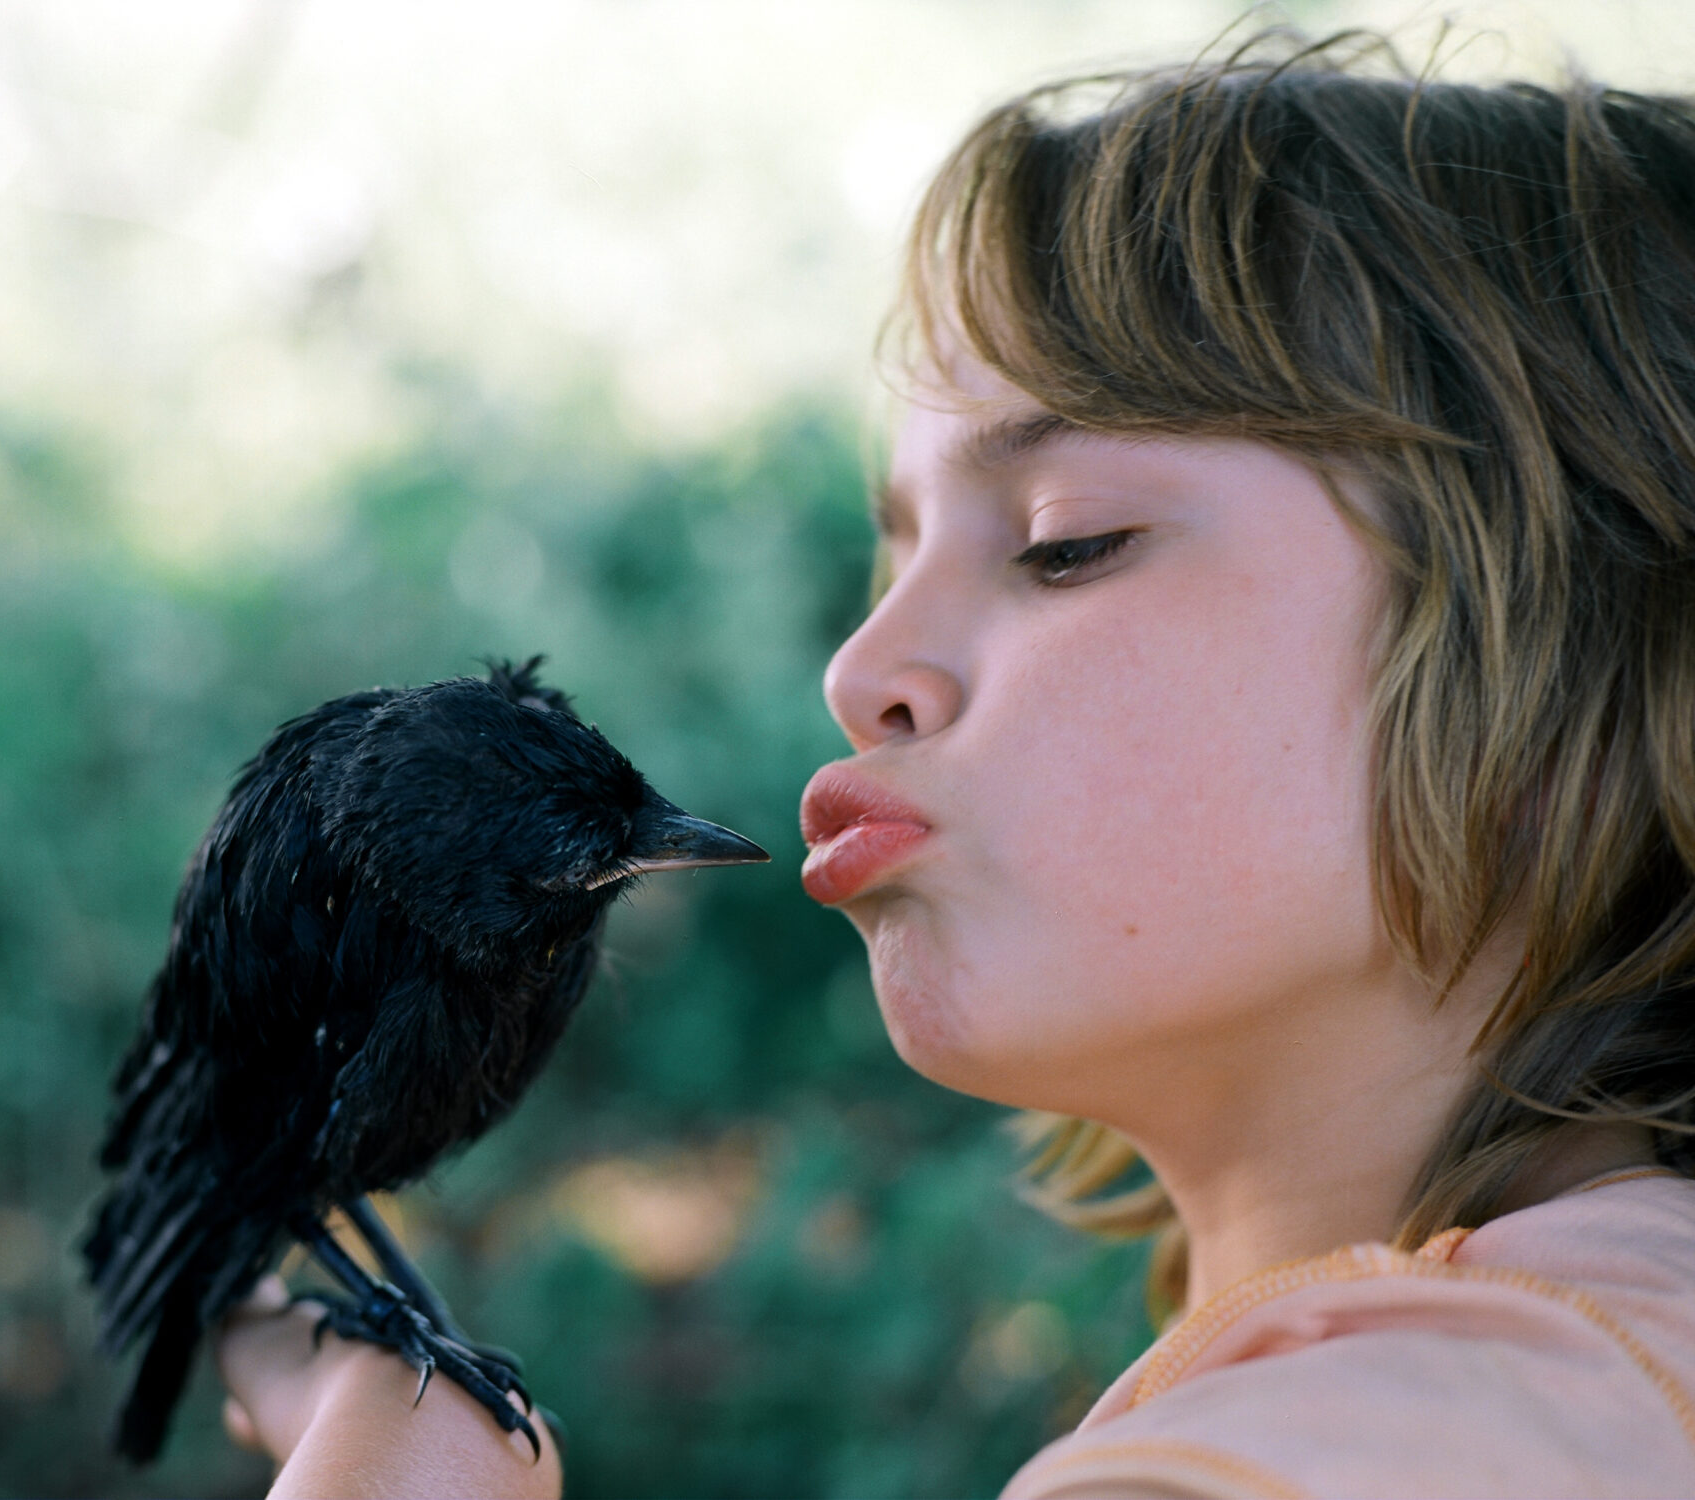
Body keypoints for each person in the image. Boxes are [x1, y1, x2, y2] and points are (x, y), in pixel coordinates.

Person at [214, 27, 1695, 1497]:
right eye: (900, 544)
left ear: (1586, 672)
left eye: (1066, 540)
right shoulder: (1582, 1360)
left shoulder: (1425, 1425)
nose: (862, 672)